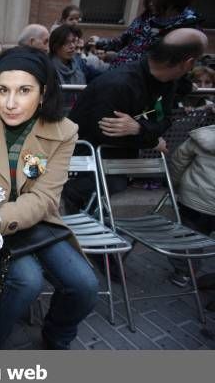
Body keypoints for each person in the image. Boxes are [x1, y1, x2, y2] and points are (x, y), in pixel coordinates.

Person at [0, 46, 98, 349]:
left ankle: (56, 336)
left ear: (43, 93)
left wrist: (0, 216)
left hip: (35, 223)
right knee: (27, 280)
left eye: (24, 91)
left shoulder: (63, 131)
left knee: (85, 285)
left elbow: (45, 197)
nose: (10, 103)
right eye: (2, 90)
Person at [64, 28, 209, 213]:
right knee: (89, 198)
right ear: (188, 63)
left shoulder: (169, 82)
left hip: (116, 166)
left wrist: (140, 129)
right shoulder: (118, 84)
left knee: (110, 189)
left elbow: (165, 121)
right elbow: (108, 133)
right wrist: (151, 139)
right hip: (86, 165)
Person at [99, 0, 201, 69]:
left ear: (173, 1)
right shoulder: (146, 18)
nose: (151, 3)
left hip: (144, 83)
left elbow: (176, 66)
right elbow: (123, 41)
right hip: (119, 73)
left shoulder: (187, 30)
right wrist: (99, 42)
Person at [166, 125, 215, 289]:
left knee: (188, 237)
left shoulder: (204, 136)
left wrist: (174, 183)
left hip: (194, 198)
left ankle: (184, 272)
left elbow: (179, 160)